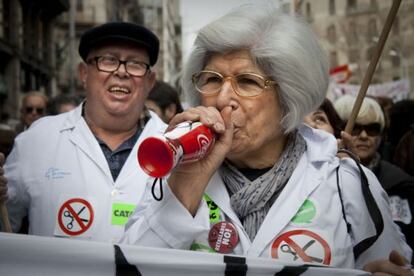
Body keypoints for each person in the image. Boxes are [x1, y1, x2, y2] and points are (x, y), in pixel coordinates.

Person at [121, 5, 412, 274]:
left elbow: (389, 262)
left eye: (247, 81)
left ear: (289, 98)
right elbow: (130, 267)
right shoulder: (172, 171)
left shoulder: (343, 180)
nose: (223, 99)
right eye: (212, 79)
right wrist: (185, 186)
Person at [0, 22, 167, 243]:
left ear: (149, 81)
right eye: (108, 60)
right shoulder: (37, 140)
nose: (121, 72)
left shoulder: (174, 146)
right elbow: (6, 223)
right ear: (84, 74)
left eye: (135, 64)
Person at [334, 95, 414, 262]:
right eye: (355, 128)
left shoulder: (399, 182)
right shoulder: (321, 178)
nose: (364, 136)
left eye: (372, 129)